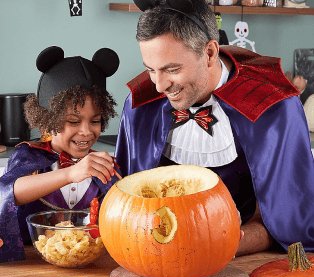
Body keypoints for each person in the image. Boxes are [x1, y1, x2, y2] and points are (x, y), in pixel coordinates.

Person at [115, 0, 314, 256]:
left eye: (172, 69)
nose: (159, 86)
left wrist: (215, 247)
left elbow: (285, 225)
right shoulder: (141, 104)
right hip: (155, 254)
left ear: (209, 53)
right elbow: (128, 206)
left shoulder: (273, 106)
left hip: (243, 258)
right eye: (151, 70)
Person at [0, 46, 120, 262]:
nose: (85, 131)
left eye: (95, 121)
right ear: (48, 119)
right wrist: (71, 173)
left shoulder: (101, 164)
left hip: (91, 263)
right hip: (30, 263)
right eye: (73, 121)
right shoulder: (29, 154)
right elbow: (7, 191)